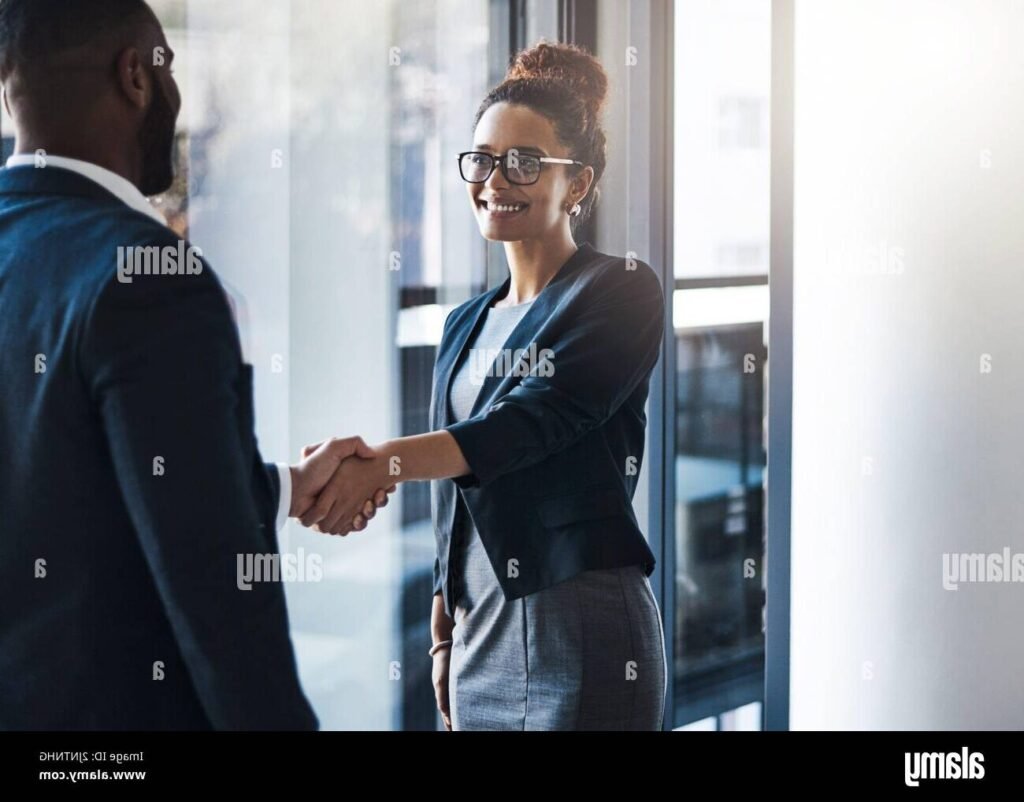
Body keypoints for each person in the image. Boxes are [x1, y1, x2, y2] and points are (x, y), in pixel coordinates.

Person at [0, 0, 387, 730]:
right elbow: (215, 594)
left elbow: (65, 488)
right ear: (136, 78)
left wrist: (278, 490)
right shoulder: (149, 276)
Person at [303, 42, 667, 730]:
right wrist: (443, 634)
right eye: (483, 159)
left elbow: (534, 423)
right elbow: (456, 498)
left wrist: (380, 462)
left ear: (578, 183)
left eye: (525, 162)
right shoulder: (465, 323)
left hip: (581, 628)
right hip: (478, 639)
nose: (496, 179)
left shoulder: (619, 287)